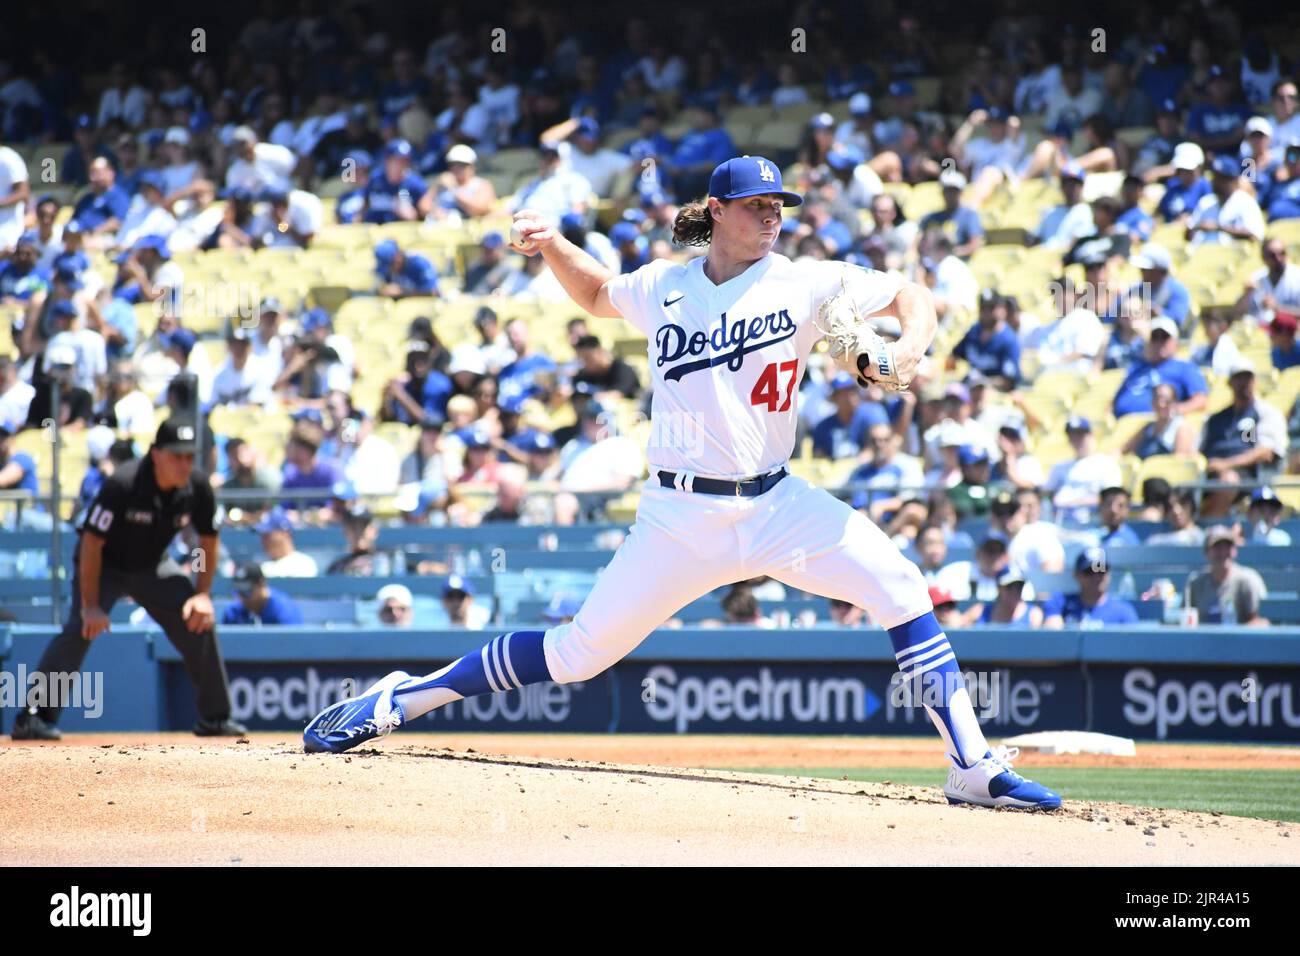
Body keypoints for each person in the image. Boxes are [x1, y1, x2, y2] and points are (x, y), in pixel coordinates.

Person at [301, 154, 1060, 810]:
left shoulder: (807, 282)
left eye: (779, 205)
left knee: (900, 585)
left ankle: (972, 766)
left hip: (777, 503)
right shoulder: (667, 284)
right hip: (677, 515)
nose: (772, 216)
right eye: (758, 205)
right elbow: (599, 296)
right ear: (720, 211)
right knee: (574, 657)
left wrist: (910, 349)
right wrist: (557, 244)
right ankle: (400, 697)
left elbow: (909, 296)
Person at [12, 419, 244, 740]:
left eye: (190, 457)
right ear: (156, 454)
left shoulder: (197, 487)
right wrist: (91, 605)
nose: (184, 464)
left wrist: (202, 593)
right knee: (79, 628)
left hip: (153, 566)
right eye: (176, 456)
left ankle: (215, 718)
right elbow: (92, 542)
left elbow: (205, 543)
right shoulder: (124, 482)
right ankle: (33, 717)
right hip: (103, 565)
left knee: (198, 619)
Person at [1200, 358, 1288, 516]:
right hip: (1209, 472)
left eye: (1247, 378)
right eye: (1238, 378)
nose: (1243, 383)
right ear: (1230, 383)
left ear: (1255, 382)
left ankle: (1207, 523)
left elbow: (1264, 452)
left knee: (1228, 480)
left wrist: (1226, 464)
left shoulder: (1262, 414)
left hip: (1246, 475)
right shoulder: (1216, 419)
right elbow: (1198, 449)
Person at [1112, 318, 1209, 418]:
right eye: (1155, 338)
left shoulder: (1185, 368)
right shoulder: (1136, 368)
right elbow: (1115, 400)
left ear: (1175, 342)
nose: (1159, 342)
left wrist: (1177, 410)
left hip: (1155, 426)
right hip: (1122, 426)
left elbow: (1201, 400)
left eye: (1164, 338)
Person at [1185, 526, 1269, 626]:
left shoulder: (1248, 579)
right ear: (1206, 552)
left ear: (1235, 551)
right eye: (1217, 548)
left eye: (1228, 547)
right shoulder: (1195, 582)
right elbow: (1185, 617)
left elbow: (1261, 622)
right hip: (1203, 639)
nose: (1223, 552)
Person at [1044, 417, 1123, 522]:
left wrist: (1072, 503)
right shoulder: (1059, 467)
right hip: (1061, 523)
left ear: (1091, 436)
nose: (1077, 440)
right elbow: (1046, 494)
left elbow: (1113, 498)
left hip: (1093, 522)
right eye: (1072, 436)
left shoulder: (1106, 464)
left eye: (1080, 435)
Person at [1042, 548, 1139, 628]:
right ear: (1076, 575)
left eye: (1101, 571)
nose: (1096, 577)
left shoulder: (1123, 610)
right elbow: (1053, 638)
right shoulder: (1060, 602)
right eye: (1089, 571)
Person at [1235, 238, 1300, 329]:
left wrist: (1277, 308)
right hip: (1263, 333)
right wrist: (1246, 294)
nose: (1278, 259)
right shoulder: (1257, 277)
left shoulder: (1297, 276)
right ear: (1264, 258)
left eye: (1282, 253)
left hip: (1291, 335)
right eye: (1272, 255)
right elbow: (1238, 313)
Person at [1121, 382, 1197, 459]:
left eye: (1166, 400)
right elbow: (1123, 450)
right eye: (1157, 399)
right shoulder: (1148, 428)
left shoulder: (1181, 427)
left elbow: (1178, 461)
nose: (1161, 404)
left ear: (1174, 402)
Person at [222, 561, 305, 626]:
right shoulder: (234, 612)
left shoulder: (284, 611)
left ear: (262, 584)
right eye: (238, 592)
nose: (242, 598)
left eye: (246, 591)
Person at [256, 507, 319, 578]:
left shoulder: (303, 563)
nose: (263, 540)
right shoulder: (260, 564)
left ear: (285, 533)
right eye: (262, 536)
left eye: (268, 535)